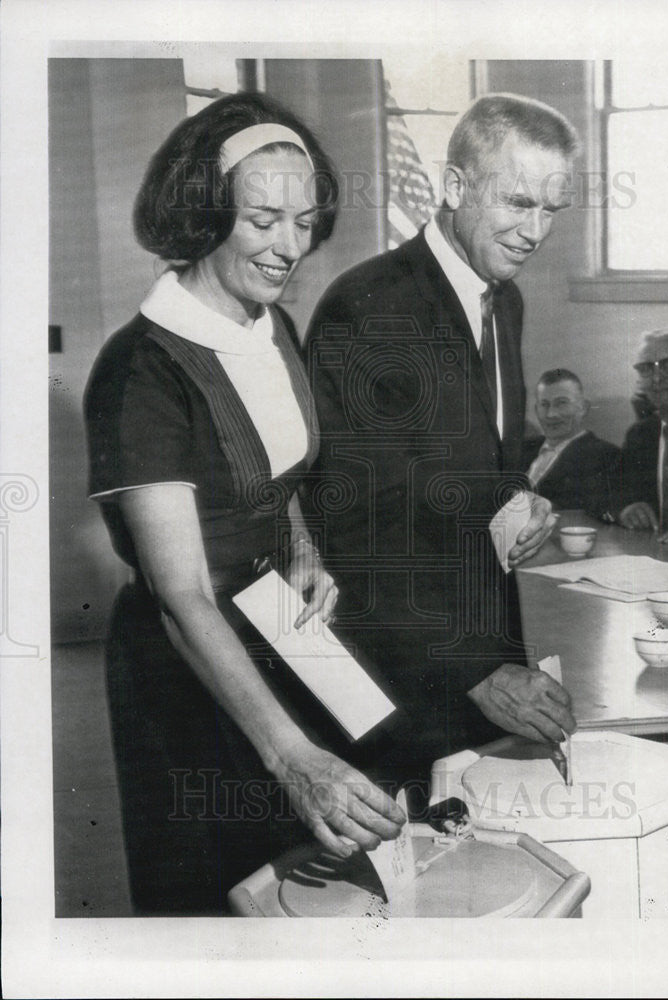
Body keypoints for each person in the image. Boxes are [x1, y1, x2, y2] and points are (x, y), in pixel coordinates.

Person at [84, 92, 405, 915]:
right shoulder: (140, 372)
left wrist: (301, 546)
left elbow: (275, 474)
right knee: (230, 887)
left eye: (304, 223)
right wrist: (289, 754)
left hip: (279, 619)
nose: (290, 247)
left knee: (342, 842)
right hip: (188, 657)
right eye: (263, 219)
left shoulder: (273, 328)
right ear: (204, 212)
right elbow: (181, 593)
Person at [305, 94, 578, 776]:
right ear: (454, 186)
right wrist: (477, 672)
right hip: (393, 669)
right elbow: (355, 523)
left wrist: (519, 496)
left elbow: (485, 450)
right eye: (518, 203)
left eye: (551, 209)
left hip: (477, 648)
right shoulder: (367, 306)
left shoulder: (501, 297)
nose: (535, 232)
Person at [521, 368, 621, 520]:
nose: (550, 414)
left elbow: (591, 509)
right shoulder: (521, 448)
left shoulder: (605, 455)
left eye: (561, 403)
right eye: (544, 404)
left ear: (583, 408)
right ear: (536, 409)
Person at [617, 327, 668, 544]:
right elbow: (611, 491)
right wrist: (626, 508)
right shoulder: (640, 434)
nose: (656, 378)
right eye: (646, 369)